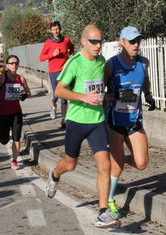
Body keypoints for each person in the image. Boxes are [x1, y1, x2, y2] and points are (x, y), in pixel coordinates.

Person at [44, 25, 121, 228]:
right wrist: (83, 96)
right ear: (83, 42)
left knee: (105, 166)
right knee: (70, 164)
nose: (98, 45)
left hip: (97, 122)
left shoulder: (103, 62)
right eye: (94, 41)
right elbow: (59, 90)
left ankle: (103, 212)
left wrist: (113, 98)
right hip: (77, 121)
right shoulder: (74, 63)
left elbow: (101, 90)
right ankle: (55, 174)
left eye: (101, 41)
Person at [104, 26, 156, 220]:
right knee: (116, 169)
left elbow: (146, 81)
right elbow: (102, 95)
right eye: (132, 41)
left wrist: (148, 95)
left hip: (134, 121)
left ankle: (118, 160)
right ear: (122, 42)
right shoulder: (111, 65)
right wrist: (115, 95)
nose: (136, 45)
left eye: (138, 41)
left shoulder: (143, 62)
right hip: (115, 122)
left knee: (141, 163)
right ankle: (110, 200)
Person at [0, 55, 31, 170]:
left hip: (16, 112)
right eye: (11, 63)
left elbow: (28, 92)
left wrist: (25, 95)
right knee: (4, 140)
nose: (14, 65)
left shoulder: (21, 79)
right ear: (7, 65)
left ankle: (15, 161)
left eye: (16, 63)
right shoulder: (2, 78)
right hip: (3, 113)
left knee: (16, 138)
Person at [39, 21, 75, 128]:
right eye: (54, 29)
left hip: (64, 71)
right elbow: (41, 58)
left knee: (64, 96)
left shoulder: (66, 40)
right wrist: (52, 55)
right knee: (56, 95)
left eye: (58, 29)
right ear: (51, 30)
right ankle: (53, 106)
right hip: (53, 71)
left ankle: (63, 120)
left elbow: (71, 48)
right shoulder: (48, 43)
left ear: (60, 29)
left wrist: (71, 54)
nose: (56, 31)